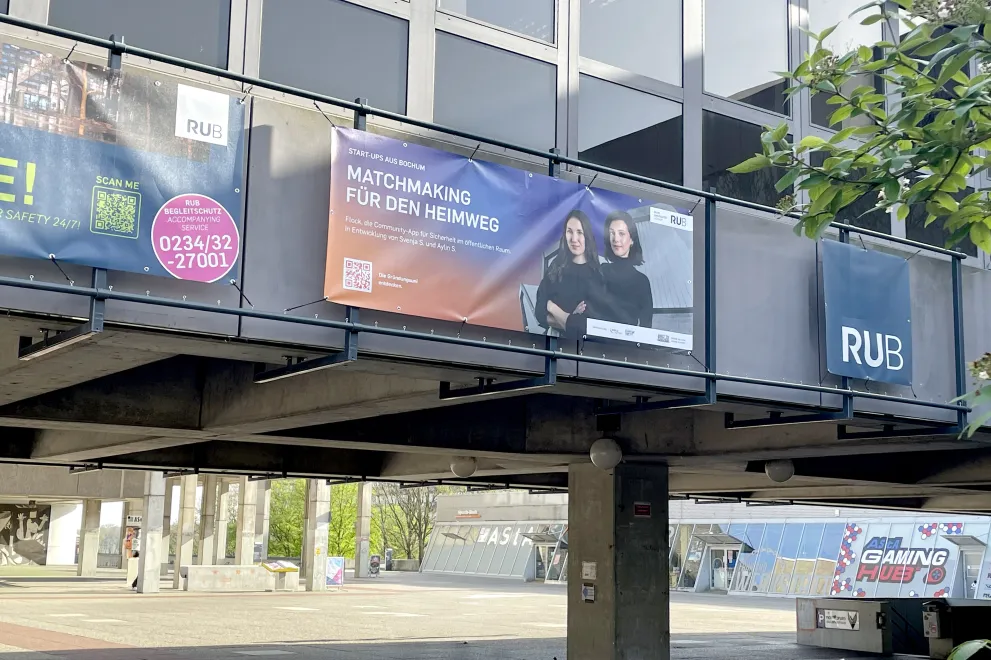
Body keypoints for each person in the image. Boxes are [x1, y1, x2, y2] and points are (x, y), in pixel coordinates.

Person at [534, 210, 604, 339]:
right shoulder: (555, 267)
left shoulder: (597, 275)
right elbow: (539, 312)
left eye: (579, 232)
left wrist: (552, 307)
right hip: (552, 344)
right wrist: (571, 318)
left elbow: (585, 326)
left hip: (583, 350)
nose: (574, 239)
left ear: (587, 236)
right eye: (569, 231)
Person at [600, 210, 653, 327]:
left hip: (627, 345)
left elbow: (647, 326)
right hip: (596, 343)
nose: (616, 239)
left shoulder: (642, 282)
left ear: (632, 239)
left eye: (621, 233)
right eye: (612, 233)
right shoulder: (600, 272)